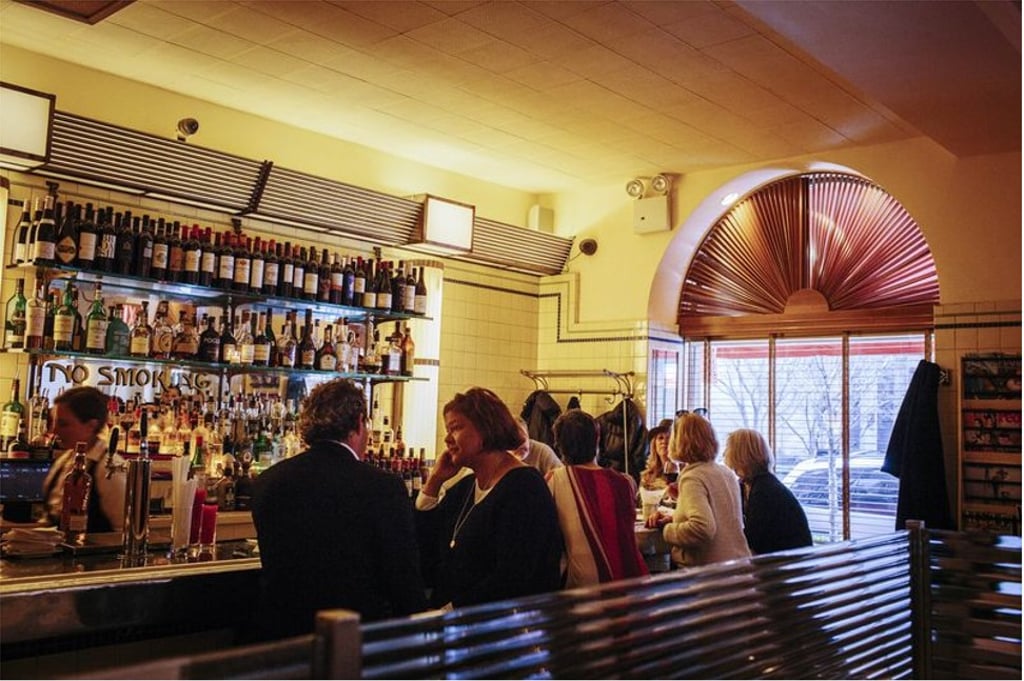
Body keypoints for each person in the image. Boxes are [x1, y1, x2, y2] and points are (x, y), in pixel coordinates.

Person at [251, 378, 426, 640]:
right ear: (358, 423)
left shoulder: (268, 481)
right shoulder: (383, 487)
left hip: (285, 636)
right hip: (359, 638)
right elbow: (403, 578)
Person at [416, 387, 563, 610]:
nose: (447, 439)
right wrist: (433, 482)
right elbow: (426, 548)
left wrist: (451, 610)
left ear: (485, 429)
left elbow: (514, 577)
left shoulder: (525, 488)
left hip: (498, 632)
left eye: (455, 428)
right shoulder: (467, 487)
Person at [546, 410, 648, 588]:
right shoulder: (627, 481)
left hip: (588, 588)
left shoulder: (554, 480)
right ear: (598, 439)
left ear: (559, 445)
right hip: (635, 581)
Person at [646, 413, 751, 567]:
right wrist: (675, 519)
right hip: (738, 566)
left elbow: (702, 529)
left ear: (679, 441)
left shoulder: (693, 477)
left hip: (707, 574)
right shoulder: (725, 472)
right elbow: (723, 520)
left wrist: (667, 529)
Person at [42, 386, 126, 533]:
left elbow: (122, 530)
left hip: (91, 554)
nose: (54, 430)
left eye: (63, 424)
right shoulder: (65, 460)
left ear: (90, 426)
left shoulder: (109, 469)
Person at [723, 429, 813, 554]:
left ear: (740, 456)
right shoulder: (750, 485)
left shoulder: (765, 491)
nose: (724, 454)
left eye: (728, 449)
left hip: (788, 564)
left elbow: (752, 539)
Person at [639, 418, 679, 516]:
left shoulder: (682, 472)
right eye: (660, 438)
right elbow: (640, 505)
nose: (664, 441)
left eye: (669, 438)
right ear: (654, 443)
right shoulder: (648, 475)